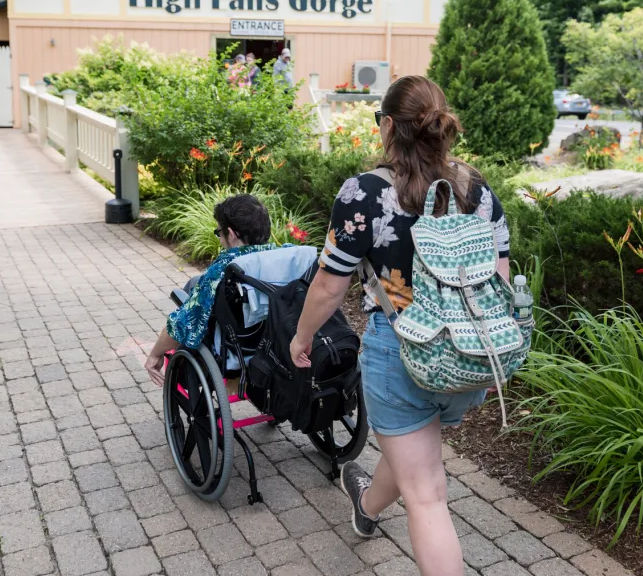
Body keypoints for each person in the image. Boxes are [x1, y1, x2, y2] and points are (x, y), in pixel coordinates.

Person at [288, 75, 510, 576]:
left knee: (428, 497)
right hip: (469, 354)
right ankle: (365, 507)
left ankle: (371, 505)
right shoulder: (475, 188)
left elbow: (328, 286)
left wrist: (301, 338)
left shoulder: (364, 192)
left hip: (402, 356)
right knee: (415, 452)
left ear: (388, 125)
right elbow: (498, 279)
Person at [144, 195, 277, 386]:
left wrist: (154, 354)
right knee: (195, 282)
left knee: (191, 300)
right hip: (270, 338)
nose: (220, 238)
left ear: (231, 233)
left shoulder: (222, 272)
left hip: (233, 346)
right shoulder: (282, 259)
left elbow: (182, 325)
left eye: (219, 232)